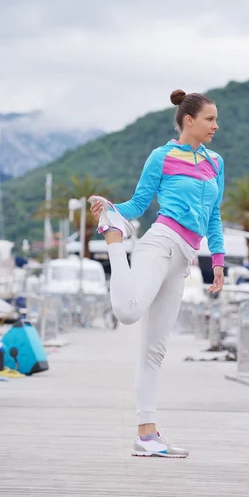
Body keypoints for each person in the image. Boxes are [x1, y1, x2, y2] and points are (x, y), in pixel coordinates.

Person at [89, 89, 225, 458]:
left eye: (216, 119)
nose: (216, 125)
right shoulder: (161, 157)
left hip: (183, 258)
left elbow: (213, 216)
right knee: (128, 312)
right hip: (160, 242)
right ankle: (114, 239)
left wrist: (217, 261)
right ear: (189, 121)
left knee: (155, 351)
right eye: (210, 119)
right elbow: (137, 202)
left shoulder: (215, 162)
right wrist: (111, 208)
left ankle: (146, 436)